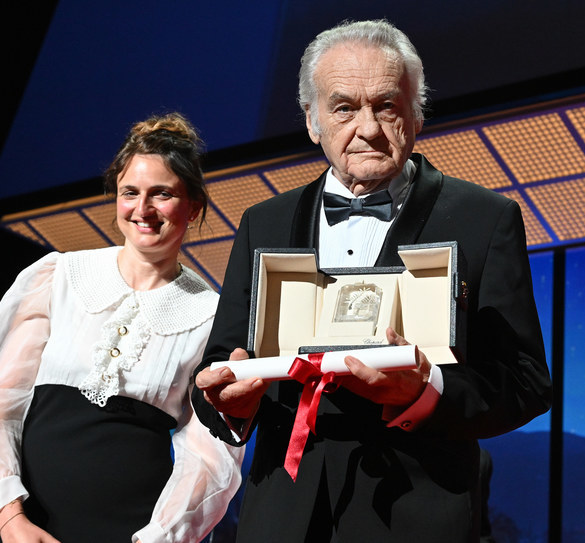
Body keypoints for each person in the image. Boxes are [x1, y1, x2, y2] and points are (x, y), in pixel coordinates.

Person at [192, 19, 552, 542]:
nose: (368, 128)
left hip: (416, 512)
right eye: (343, 108)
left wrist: (426, 390)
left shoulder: (484, 218)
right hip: (282, 517)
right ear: (312, 121)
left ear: (416, 114)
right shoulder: (262, 222)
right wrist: (227, 401)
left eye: (386, 105)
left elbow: (525, 382)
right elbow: (221, 366)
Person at [0, 113, 243, 543]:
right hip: (20, 526)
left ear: (194, 207)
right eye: (130, 192)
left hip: (125, 530)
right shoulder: (58, 276)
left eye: (162, 194)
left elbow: (210, 457)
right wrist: (10, 516)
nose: (142, 209)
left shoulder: (210, 314)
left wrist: (159, 538)